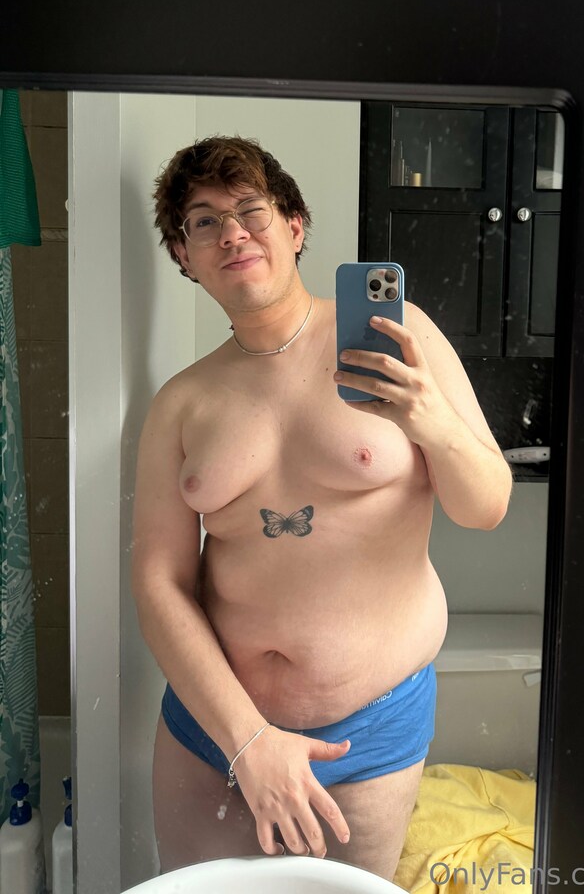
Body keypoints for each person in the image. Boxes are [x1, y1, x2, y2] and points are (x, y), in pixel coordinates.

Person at [131, 135, 512, 881]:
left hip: (366, 735)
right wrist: (248, 741)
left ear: (294, 226)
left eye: (251, 210)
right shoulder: (182, 401)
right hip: (212, 732)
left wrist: (430, 420)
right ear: (183, 255)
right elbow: (158, 581)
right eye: (204, 222)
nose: (232, 233)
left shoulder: (400, 338)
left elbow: (486, 506)